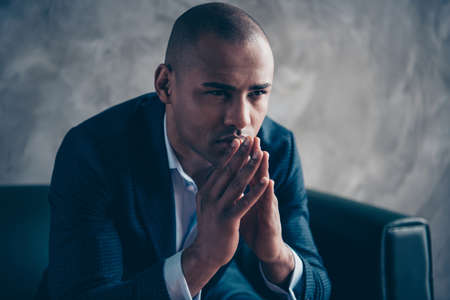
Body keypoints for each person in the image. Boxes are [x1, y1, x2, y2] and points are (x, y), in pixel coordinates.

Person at [39, 2, 331, 300]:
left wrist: (276, 255)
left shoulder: (276, 149)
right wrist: (203, 259)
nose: (242, 120)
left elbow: (319, 288)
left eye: (257, 93)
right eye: (218, 93)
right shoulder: (93, 153)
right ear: (165, 84)